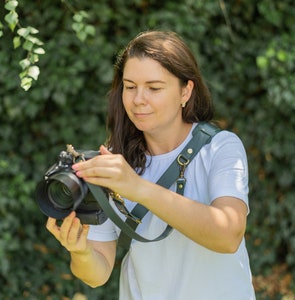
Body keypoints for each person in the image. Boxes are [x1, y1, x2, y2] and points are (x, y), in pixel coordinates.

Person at [46, 30, 256, 299]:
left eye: (154, 88)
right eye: (130, 86)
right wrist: (80, 251)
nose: (138, 100)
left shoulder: (220, 146)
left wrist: (138, 188)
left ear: (185, 91)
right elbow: (97, 275)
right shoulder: (115, 159)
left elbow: (228, 235)